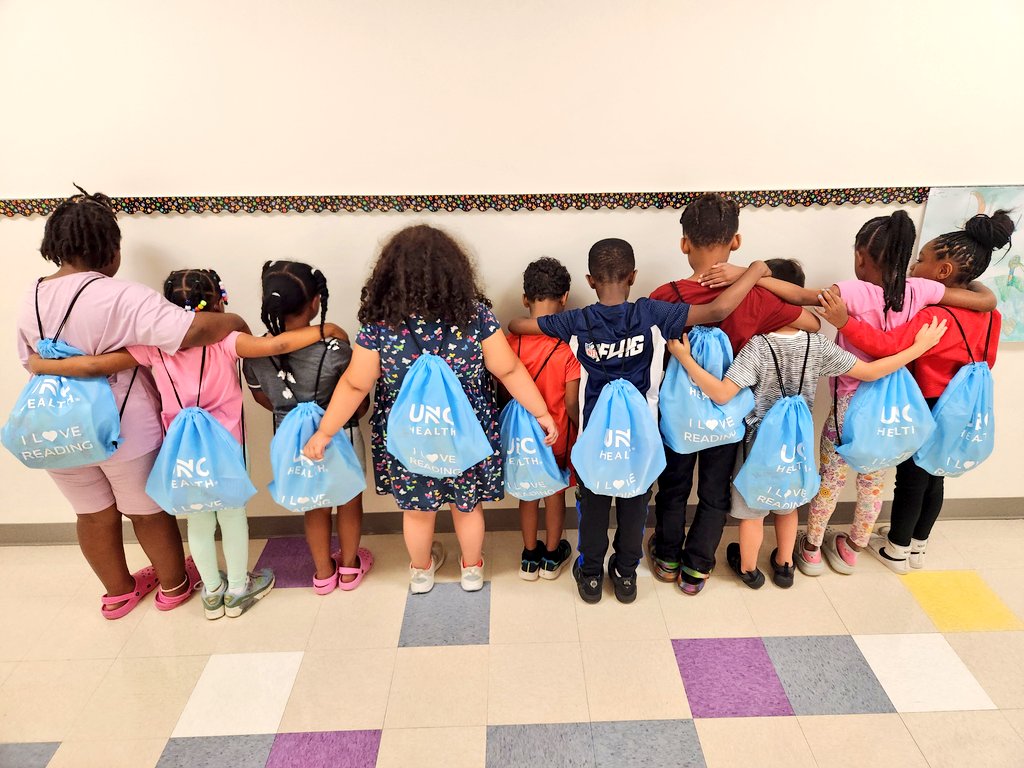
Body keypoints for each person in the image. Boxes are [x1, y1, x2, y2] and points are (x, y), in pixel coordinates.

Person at [31, 268, 347, 618]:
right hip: (226, 447)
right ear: (218, 303)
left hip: (181, 451)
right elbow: (278, 344)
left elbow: (96, 365)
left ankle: (212, 592)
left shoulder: (152, 348)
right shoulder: (226, 342)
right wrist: (326, 330)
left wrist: (40, 363)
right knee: (232, 516)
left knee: (197, 520)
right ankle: (240, 588)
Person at [699, 210, 996, 576]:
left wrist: (754, 273)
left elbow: (799, 295)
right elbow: (984, 302)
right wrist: (982, 285)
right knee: (874, 479)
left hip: (850, 403)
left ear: (859, 256)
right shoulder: (921, 290)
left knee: (831, 477)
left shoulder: (852, 292)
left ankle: (810, 550)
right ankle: (853, 547)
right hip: (893, 404)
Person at [14, 188, 246, 619]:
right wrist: (232, 321)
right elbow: (188, 331)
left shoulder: (30, 294)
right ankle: (174, 587)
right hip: (122, 423)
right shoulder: (121, 295)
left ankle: (119, 592)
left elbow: (28, 360)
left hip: (55, 425)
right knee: (146, 510)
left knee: (91, 513)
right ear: (109, 248)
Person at [511, 237, 771, 604]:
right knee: (634, 506)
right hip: (641, 439)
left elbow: (521, 325)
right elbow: (717, 310)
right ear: (633, 277)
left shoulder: (578, 320)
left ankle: (589, 576)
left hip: (595, 437)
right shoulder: (651, 313)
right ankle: (626, 576)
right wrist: (757, 269)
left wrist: (517, 320)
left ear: (590, 281)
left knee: (595, 507)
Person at [303, 225, 557, 595]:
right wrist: (541, 413)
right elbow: (509, 369)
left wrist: (326, 431)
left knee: (418, 511)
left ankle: (421, 573)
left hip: (412, 435)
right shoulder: (477, 317)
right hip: (464, 432)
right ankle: (472, 569)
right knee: (467, 506)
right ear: (456, 272)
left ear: (391, 274)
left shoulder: (379, 324)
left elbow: (356, 383)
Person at [668, 306, 947, 589]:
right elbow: (871, 371)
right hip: (798, 443)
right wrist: (918, 348)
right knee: (788, 504)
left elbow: (721, 393)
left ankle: (748, 569)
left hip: (758, 444)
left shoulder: (758, 346)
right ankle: (785, 565)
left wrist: (685, 359)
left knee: (753, 511)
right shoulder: (817, 345)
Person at [818, 210, 1012, 572]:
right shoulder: (991, 315)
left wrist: (845, 323)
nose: (913, 267)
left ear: (944, 271)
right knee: (935, 475)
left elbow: (886, 346)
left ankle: (896, 547)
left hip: (921, 402)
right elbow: (988, 357)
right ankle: (918, 545)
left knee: (911, 476)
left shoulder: (933, 313)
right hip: (961, 406)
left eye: (921, 259)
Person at [648, 193, 820, 595]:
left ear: (684, 243)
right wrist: (754, 276)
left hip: (677, 417)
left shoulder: (664, 296)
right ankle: (697, 568)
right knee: (714, 492)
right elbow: (812, 322)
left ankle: (668, 556)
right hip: (729, 417)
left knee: (673, 486)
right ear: (736, 242)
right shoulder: (758, 297)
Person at [244, 260, 372, 594]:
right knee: (348, 500)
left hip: (290, 439)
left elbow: (262, 399)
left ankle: (322, 573)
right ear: (316, 302)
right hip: (341, 436)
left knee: (312, 503)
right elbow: (359, 401)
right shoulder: (336, 350)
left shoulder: (254, 353)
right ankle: (348, 567)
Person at [505, 257, 581, 580]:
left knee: (528, 493)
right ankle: (552, 556)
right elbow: (572, 402)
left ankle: (529, 556)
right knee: (554, 493)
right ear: (565, 298)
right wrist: (578, 431)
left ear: (525, 299)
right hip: (557, 436)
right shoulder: (567, 349)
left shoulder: (511, 343)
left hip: (523, 437)